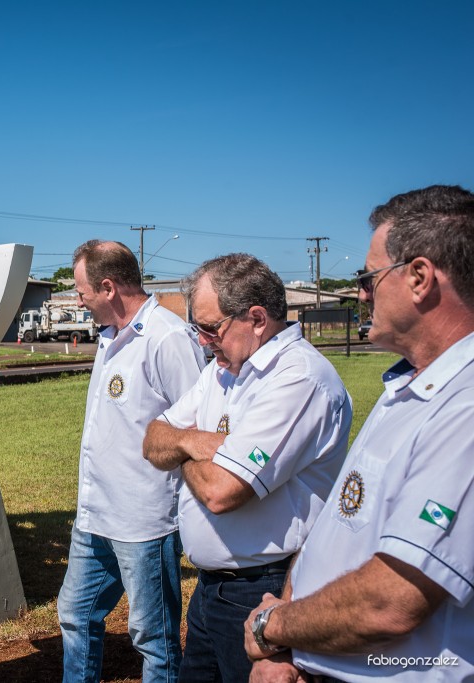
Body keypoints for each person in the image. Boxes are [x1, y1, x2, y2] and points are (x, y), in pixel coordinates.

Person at [244, 185, 474, 682]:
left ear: (419, 278)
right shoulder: (411, 385)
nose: (362, 294)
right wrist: (287, 645)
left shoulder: (465, 405)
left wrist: (272, 627)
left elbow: (390, 602)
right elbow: (340, 529)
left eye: (369, 278)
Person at [143, 253, 352, 682]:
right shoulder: (223, 371)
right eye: (196, 328)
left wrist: (182, 449)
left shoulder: (298, 379)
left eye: (210, 327)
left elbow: (221, 492)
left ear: (256, 319)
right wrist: (195, 442)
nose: (203, 341)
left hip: (264, 590)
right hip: (212, 590)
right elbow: (153, 439)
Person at [57, 240, 205, 683]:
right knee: (75, 615)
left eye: (82, 292)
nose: (79, 302)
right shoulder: (110, 336)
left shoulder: (167, 338)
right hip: (95, 516)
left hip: (144, 521)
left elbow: (196, 427)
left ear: (107, 287)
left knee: (153, 637)